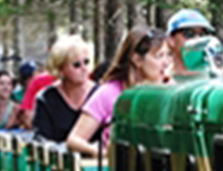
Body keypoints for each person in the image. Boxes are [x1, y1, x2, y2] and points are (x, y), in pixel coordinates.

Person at [66, 27, 172, 157]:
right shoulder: (109, 93)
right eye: (159, 56)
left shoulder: (171, 93)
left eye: (169, 55)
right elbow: (74, 139)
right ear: (137, 59)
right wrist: (99, 152)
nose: (166, 63)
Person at [32, 36, 99, 142]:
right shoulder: (46, 98)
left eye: (86, 62)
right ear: (60, 69)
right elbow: (41, 139)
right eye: (76, 65)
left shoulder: (100, 94)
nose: (84, 68)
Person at [166, 9, 216, 82]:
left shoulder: (215, 77)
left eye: (202, 34)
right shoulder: (162, 79)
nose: (197, 39)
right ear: (171, 39)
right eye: (189, 33)